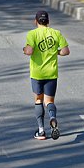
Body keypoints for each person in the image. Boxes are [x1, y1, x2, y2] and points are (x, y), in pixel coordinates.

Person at [23, 10, 70, 140]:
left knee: (38, 100)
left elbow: (29, 50)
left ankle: (41, 130)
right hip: (51, 73)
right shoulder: (56, 33)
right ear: (48, 21)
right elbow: (66, 51)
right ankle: (53, 117)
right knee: (49, 101)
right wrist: (56, 52)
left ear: (36, 21)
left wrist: (24, 49)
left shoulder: (32, 34)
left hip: (37, 74)